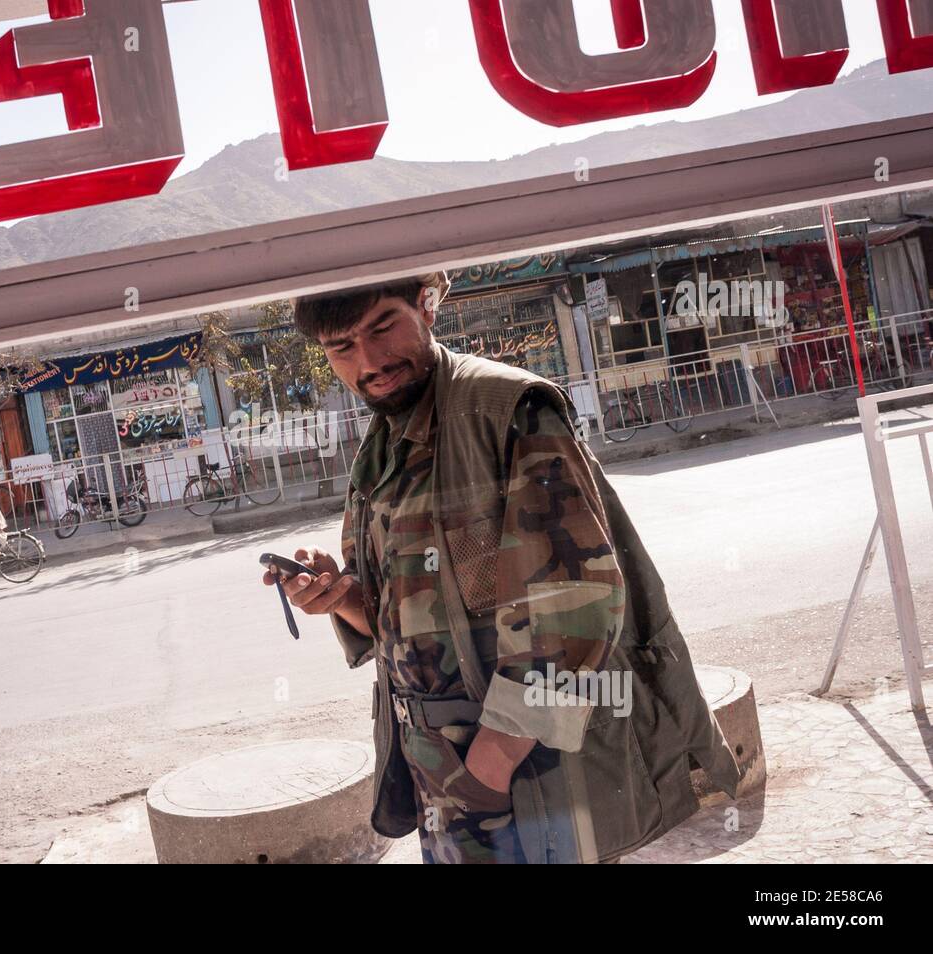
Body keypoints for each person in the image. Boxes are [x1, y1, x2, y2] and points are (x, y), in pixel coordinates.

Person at [263, 272, 740, 864]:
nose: (370, 361)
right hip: (445, 772)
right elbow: (406, 619)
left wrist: (490, 769)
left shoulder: (506, 409)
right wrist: (339, 598)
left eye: (383, 328)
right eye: (342, 348)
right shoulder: (384, 443)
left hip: (531, 771)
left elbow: (576, 603)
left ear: (425, 307)